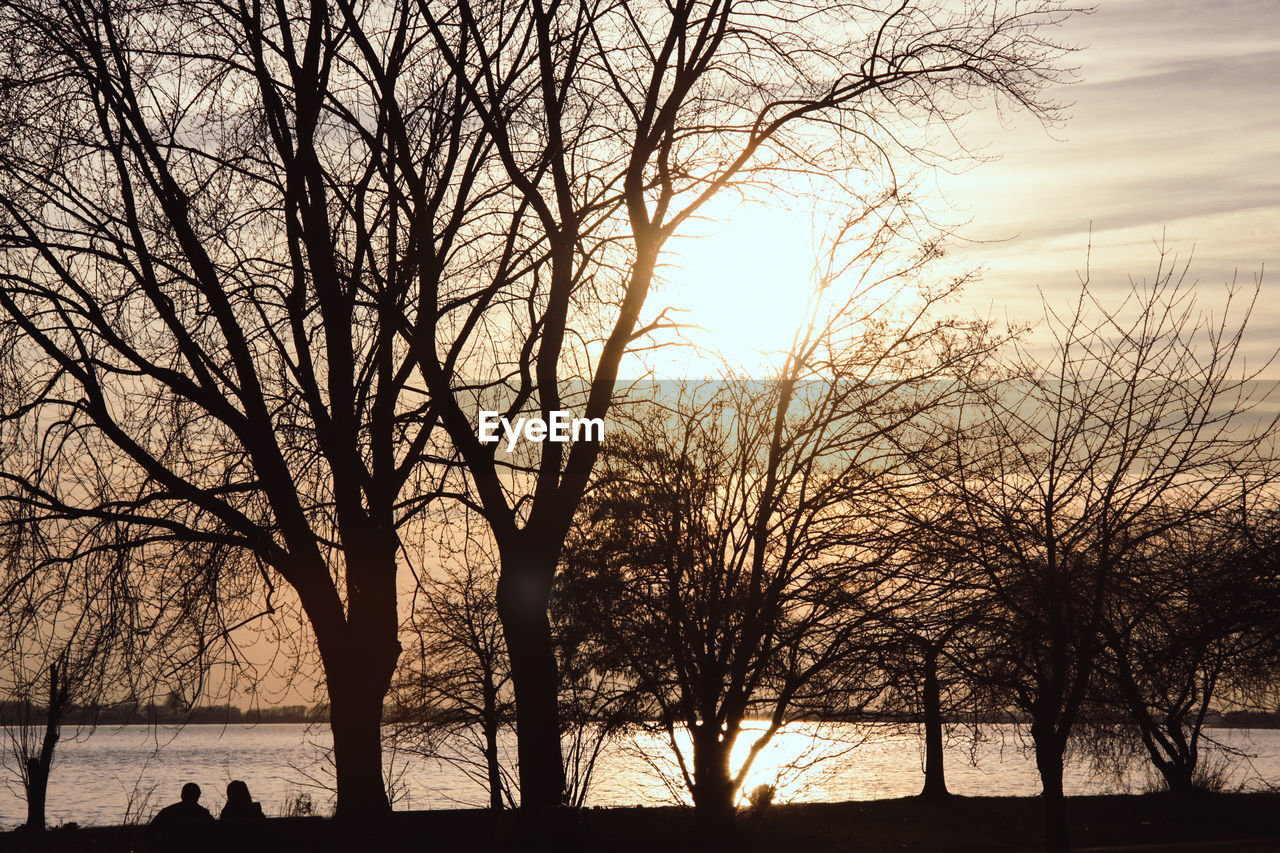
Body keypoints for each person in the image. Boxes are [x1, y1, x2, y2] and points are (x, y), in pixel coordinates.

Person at [148, 782, 214, 850]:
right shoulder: (204, 814)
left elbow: (151, 830)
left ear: (182, 795)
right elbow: (215, 832)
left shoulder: (168, 812)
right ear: (198, 796)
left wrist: (160, 847)